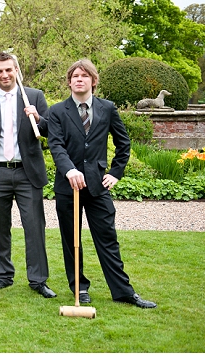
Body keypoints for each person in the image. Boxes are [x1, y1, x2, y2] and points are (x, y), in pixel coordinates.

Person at [47, 59, 156, 308]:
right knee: (71, 240)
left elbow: (123, 143)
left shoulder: (107, 108)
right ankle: (80, 289)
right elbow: (56, 145)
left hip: (98, 187)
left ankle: (123, 291)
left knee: (108, 238)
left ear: (93, 81)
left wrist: (116, 173)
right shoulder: (57, 111)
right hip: (68, 188)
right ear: (69, 81)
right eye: (74, 75)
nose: (79, 79)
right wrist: (69, 170)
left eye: (84, 75)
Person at [0, 52, 55, 297]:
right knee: (0, 228)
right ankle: (4, 275)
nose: (4, 75)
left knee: (34, 227)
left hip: (27, 174)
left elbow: (50, 129)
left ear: (16, 70)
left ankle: (38, 280)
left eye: (9, 70)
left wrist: (38, 117)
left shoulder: (34, 96)